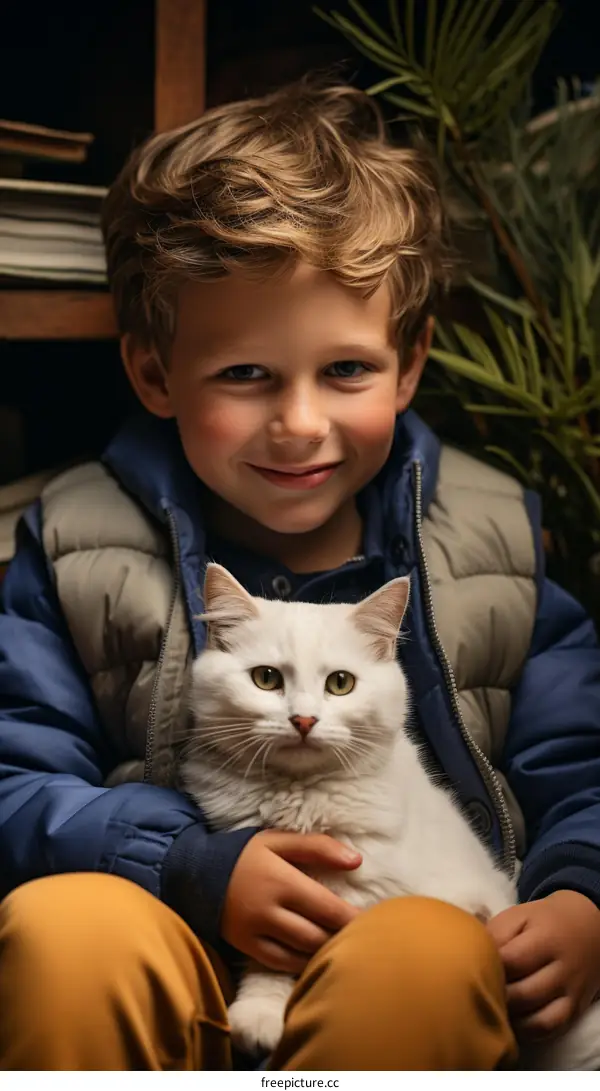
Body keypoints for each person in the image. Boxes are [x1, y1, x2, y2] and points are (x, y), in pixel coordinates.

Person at [1, 76, 599, 1073]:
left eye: (347, 371)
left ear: (409, 364)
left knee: (427, 956)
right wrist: (183, 860)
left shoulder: (491, 535)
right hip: (174, 937)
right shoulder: (75, 540)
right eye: (247, 374)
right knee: (65, 935)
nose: (301, 423)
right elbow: (13, 777)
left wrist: (584, 891)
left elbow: (584, 760)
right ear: (154, 372)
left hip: (419, 945)